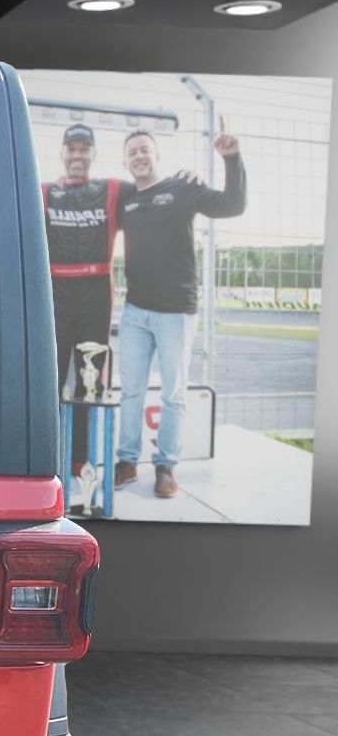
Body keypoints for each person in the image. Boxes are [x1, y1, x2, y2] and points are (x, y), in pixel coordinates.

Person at [114, 125, 246, 500]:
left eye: (145, 150)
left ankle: (165, 466)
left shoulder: (182, 188)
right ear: (126, 161)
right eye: (132, 152)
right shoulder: (123, 199)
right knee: (131, 393)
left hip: (176, 312)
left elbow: (233, 206)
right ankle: (126, 460)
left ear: (156, 155)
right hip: (135, 311)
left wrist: (232, 159)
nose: (139, 156)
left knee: (174, 393)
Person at [42, 123, 121, 479]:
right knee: (50, 379)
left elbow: (153, 195)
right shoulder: (44, 191)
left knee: (90, 382)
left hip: (95, 294)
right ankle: (49, 458)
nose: (77, 155)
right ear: (62, 153)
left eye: (83, 149)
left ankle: (80, 462)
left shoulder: (111, 190)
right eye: (71, 149)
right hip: (53, 293)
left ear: (92, 153)